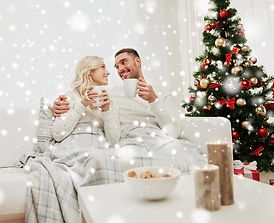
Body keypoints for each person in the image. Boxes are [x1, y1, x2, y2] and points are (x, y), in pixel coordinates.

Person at [53, 48, 206, 172]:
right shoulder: (109, 94)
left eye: (123, 62)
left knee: (190, 159)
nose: (119, 69)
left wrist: (153, 100)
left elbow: (173, 132)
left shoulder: (161, 93)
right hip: (130, 140)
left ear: (138, 61)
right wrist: (57, 105)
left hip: (161, 139)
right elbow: (84, 95)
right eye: (116, 66)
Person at [51, 55, 120, 159]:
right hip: (72, 148)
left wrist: (106, 111)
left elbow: (113, 143)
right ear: (89, 71)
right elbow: (58, 134)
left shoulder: (110, 104)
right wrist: (83, 104)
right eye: (103, 67)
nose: (108, 72)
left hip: (98, 153)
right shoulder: (70, 97)